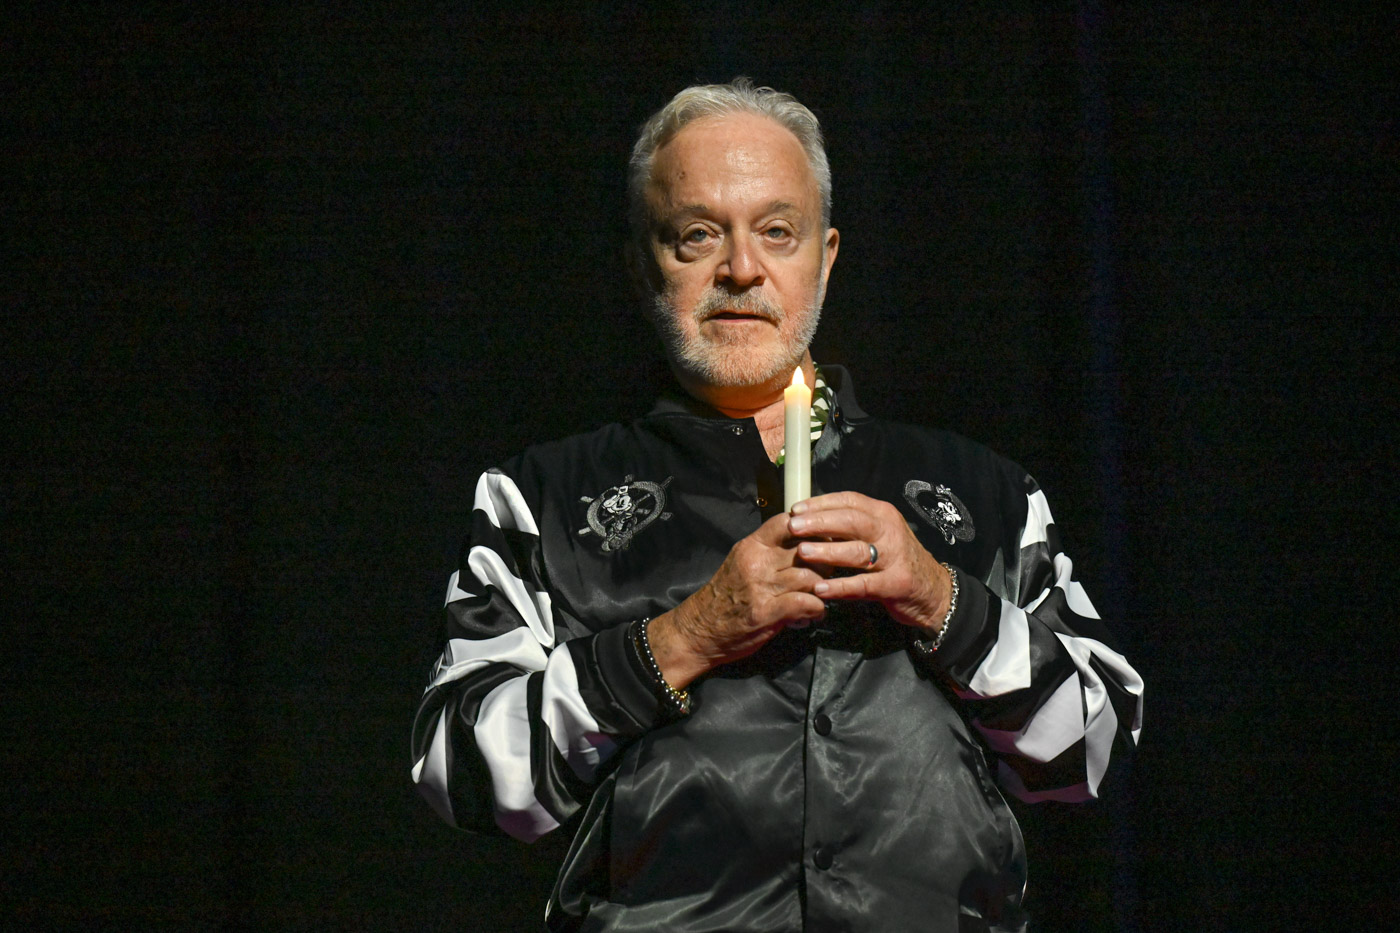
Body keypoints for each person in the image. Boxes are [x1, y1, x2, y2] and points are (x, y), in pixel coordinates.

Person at [411, 79, 1142, 933]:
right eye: (696, 235)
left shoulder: (985, 491)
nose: (742, 270)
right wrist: (681, 639)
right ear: (641, 261)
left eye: (777, 232)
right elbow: (458, 771)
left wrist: (942, 600)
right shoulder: (540, 497)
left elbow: (1090, 752)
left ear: (825, 256)